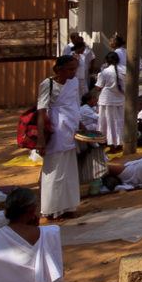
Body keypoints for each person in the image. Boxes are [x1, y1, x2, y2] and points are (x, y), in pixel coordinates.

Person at [36, 56, 81, 220]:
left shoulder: (74, 83)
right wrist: (40, 138)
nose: (73, 72)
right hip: (55, 129)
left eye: (75, 69)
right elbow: (41, 110)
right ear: (59, 69)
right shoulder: (47, 85)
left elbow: (75, 104)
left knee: (68, 169)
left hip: (70, 127)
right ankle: (52, 209)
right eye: (70, 69)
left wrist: (80, 123)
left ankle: (69, 205)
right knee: (54, 170)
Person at [95, 51, 126, 152]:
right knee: (119, 122)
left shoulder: (105, 72)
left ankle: (112, 145)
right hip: (120, 100)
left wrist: (95, 79)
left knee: (109, 123)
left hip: (107, 101)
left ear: (107, 61)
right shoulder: (125, 70)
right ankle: (119, 144)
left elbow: (98, 88)